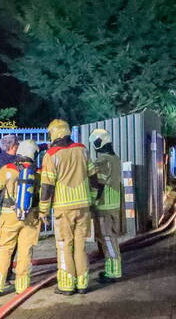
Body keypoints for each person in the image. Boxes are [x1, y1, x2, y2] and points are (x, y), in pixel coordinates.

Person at [39, 119, 96, 295]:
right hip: (83, 205)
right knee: (80, 246)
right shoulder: (82, 150)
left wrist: (43, 210)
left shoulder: (51, 155)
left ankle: (66, 284)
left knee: (65, 245)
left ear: (54, 133)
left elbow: (47, 186)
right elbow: (94, 177)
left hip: (63, 207)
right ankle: (83, 283)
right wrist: (91, 200)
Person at [0, 139, 41, 297]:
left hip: (9, 215)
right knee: (25, 251)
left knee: (3, 249)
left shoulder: (8, 169)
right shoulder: (37, 173)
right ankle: (22, 286)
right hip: (31, 217)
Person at [89, 128, 124, 283]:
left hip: (104, 206)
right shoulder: (115, 159)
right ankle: (111, 269)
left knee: (108, 239)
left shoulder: (103, 161)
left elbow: (99, 183)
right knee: (109, 239)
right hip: (114, 205)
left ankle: (114, 272)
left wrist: (92, 201)